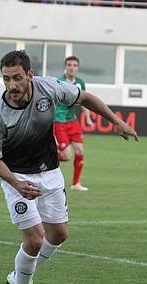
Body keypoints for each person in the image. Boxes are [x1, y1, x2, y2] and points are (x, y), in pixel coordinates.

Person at [0, 50, 138, 284]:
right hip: (17, 177)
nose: (12, 85)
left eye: (17, 78)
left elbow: (86, 98)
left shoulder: (48, 87)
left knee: (58, 235)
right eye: (6, 79)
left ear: (30, 75)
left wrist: (116, 121)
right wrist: (16, 183)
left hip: (50, 173)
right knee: (34, 238)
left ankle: (19, 275)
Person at [53, 56, 93, 192]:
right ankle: (45, 156)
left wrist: (87, 118)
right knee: (66, 156)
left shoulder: (80, 83)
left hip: (72, 120)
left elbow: (84, 101)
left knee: (80, 151)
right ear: (65, 67)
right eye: (69, 65)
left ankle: (76, 183)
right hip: (59, 121)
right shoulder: (59, 81)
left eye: (75, 65)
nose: (72, 67)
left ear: (78, 68)